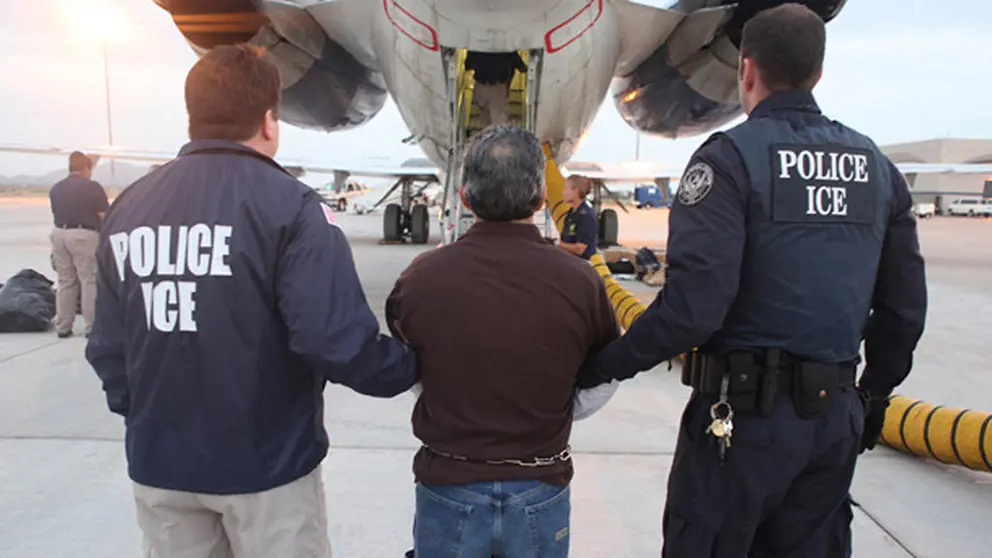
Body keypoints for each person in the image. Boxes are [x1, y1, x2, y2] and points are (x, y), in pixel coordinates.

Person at [576, 4, 927, 557]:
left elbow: (694, 308)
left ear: (745, 70)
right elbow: (904, 308)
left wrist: (601, 367)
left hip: (740, 427)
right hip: (833, 420)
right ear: (817, 72)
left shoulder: (728, 161)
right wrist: (873, 395)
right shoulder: (875, 167)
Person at [85, 44, 418, 558]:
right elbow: (332, 339)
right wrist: (409, 368)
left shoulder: (130, 207)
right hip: (265, 469)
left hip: (161, 465)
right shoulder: (292, 207)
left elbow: (107, 342)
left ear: (194, 116)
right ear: (268, 120)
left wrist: (143, 413)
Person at [386, 124, 620, 558]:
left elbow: (410, 370)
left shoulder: (419, 278)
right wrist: (554, 412)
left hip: (449, 480)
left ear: (464, 198)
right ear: (538, 201)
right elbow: (605, 372)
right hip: (540, 482)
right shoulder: (582, 281)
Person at [48, 151, 109, 338]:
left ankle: (64, 326)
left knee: (65, 281)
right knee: (89, 280)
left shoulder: (56, 188)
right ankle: (92, 327)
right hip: (83, 235)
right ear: (86, 169)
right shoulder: (92, 187)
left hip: (59, 235)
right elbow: (104, 215)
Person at [465, 51, 527, 127]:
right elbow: (521, 66)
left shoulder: (477, 44)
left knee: (486, 125)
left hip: (480, 88)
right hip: (498, 89)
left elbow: (468, 65)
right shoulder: (505, 46)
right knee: (499, 125)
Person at [558, 174, 599, 260]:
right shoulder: (570, 214)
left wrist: (557, 244)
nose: (562, 192)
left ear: (575, 191)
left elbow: (580, 249)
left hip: (583, 264)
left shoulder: (586, 216)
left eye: (565, 188)